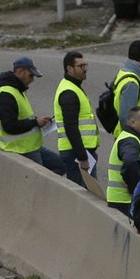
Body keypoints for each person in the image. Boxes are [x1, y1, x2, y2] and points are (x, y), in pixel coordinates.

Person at [0, 56, 78, 182]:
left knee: (62, 165)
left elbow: (21, 117)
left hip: (32, 146)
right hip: (20, 149)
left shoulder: (17, 90)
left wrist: (38, 121)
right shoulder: (6, 94)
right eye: (31, 76)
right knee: (38, 180)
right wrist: (35, 122)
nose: (32, 80)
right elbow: (10, 126)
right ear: (20, 72)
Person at [52, 50, 100, 183]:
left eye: (86, 65)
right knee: (84, 195)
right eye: (81, 66)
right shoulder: (69, 92)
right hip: (76, 154)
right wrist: (82, 157)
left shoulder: (73, 87)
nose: (85, 69)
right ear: (69, 68)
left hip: (80, 152)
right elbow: (71, 127)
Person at [105, 106, 140, 219]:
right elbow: (130, 163)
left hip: (124, 201)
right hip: (125, 202)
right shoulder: (129, 141)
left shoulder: (133, 139)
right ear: (133, 122)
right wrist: (136, 190)